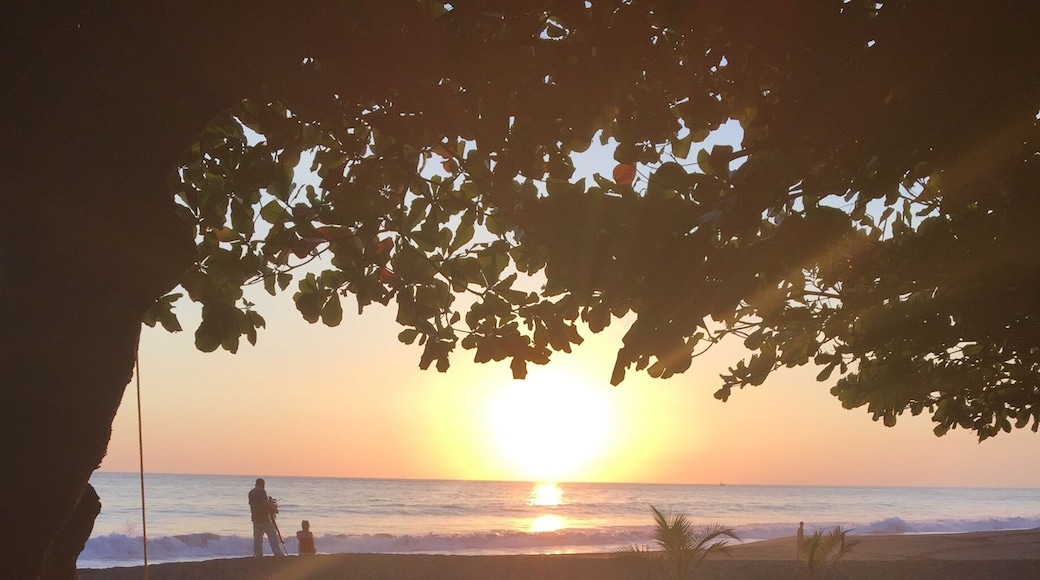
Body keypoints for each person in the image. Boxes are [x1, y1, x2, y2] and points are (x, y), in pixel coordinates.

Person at [248, 478, 285, 557]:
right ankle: (277, 553)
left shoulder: (251, 492)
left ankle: (258, 554)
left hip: (255, 518)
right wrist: (274, 509)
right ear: (263, 485)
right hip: (264, 518)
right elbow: (265, 503)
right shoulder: (261, 491)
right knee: (272, 536)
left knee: (257, 538)